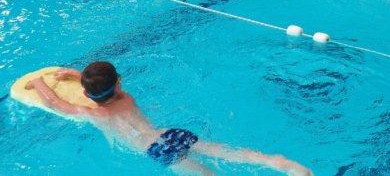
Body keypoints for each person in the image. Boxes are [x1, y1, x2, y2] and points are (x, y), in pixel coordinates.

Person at [24, 62, 312, 176]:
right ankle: (279, 163)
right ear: (119, 83)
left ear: (86, 95)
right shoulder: (126, 97)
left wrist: (38, 83)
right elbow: (108, 85)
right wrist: (76, 73)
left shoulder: (93, 113)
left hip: (157, 150)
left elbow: (56, 103)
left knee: (207, 175)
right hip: (170, 133)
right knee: (225, 151)